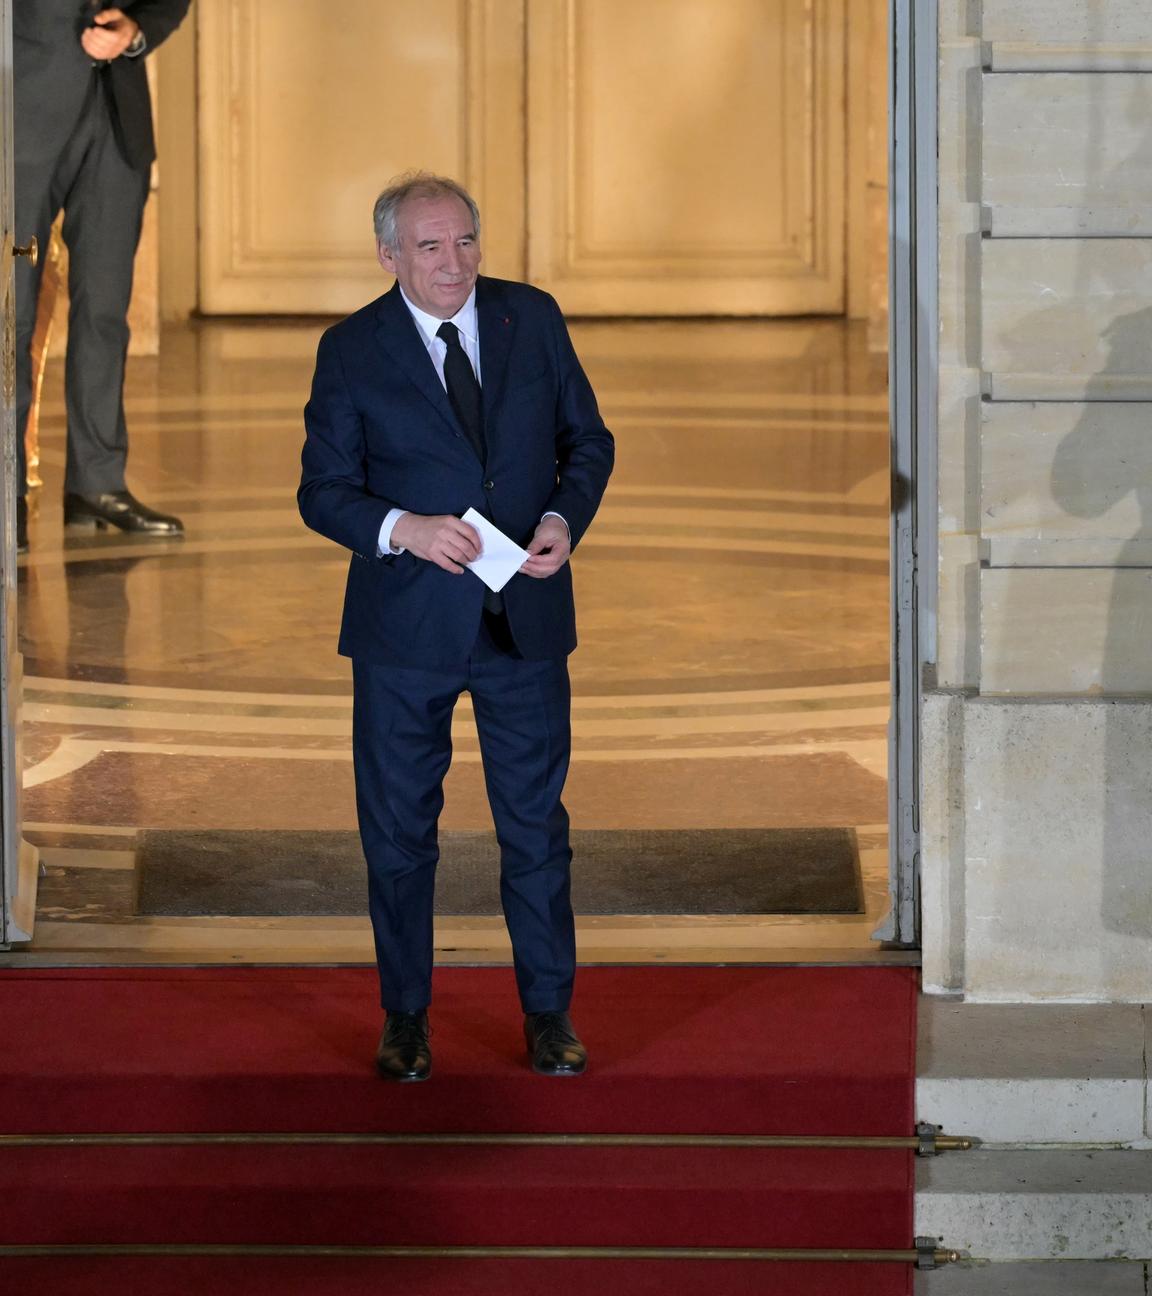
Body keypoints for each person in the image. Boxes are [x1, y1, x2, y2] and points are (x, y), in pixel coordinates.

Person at [299, 172, 614, 1082]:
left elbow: (588, 443)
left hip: (525, 621)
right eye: (431, 247)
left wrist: (561, 523)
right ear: (389, 256)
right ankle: (405, 1016)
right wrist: (404, 529)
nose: (454, 263)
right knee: (398, 834)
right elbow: (323, 491)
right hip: (406, 634)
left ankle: (548, 1013)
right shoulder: (351, 348)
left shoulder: (533, 317)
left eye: (466, 241)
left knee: (535, 828)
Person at [14, 0, 190, 553]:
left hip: (117, 116)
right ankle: (5, 494)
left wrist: (136, 31)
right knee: (8, 318)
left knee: (106, 312)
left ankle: (97, 483)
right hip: (17, 109)